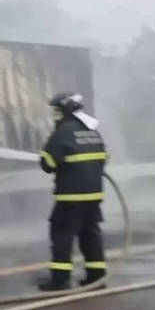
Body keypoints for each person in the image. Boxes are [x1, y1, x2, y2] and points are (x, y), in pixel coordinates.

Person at [37, 91, 109, 291]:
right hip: (94, 196)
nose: (55, 115)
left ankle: (60, 280)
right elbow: (104, 159)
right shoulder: (92, 131)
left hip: (70, 197)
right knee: (90, 235)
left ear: (64, 110)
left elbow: (48, 163)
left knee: (62, 236)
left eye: (56, 111)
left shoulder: (63, 132)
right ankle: (96, 277)